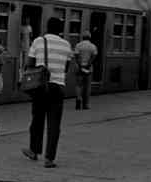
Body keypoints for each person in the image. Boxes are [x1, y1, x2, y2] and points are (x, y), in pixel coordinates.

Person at [21, 17, 72, 168]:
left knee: (37, 119)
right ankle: (49, 159)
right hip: (58, 86)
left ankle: (34, 150)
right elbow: (66, 68)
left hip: (40, 86)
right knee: (54, 123)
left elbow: (29, 63)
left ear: (47, 27)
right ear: (60, 30)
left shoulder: (38, 41)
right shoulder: (66, 45)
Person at [73, 31, 98, 110]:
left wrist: (80, 65)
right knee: (87, 86)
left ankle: (78, 99)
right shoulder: (92, 46)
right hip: (88, 68)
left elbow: (76, 56)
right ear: (89, 37)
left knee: (78, 85)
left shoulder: (78, 45)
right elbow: (94, 56)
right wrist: (88, 64)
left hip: (79, 67)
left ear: (82, 37)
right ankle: (85, 104)